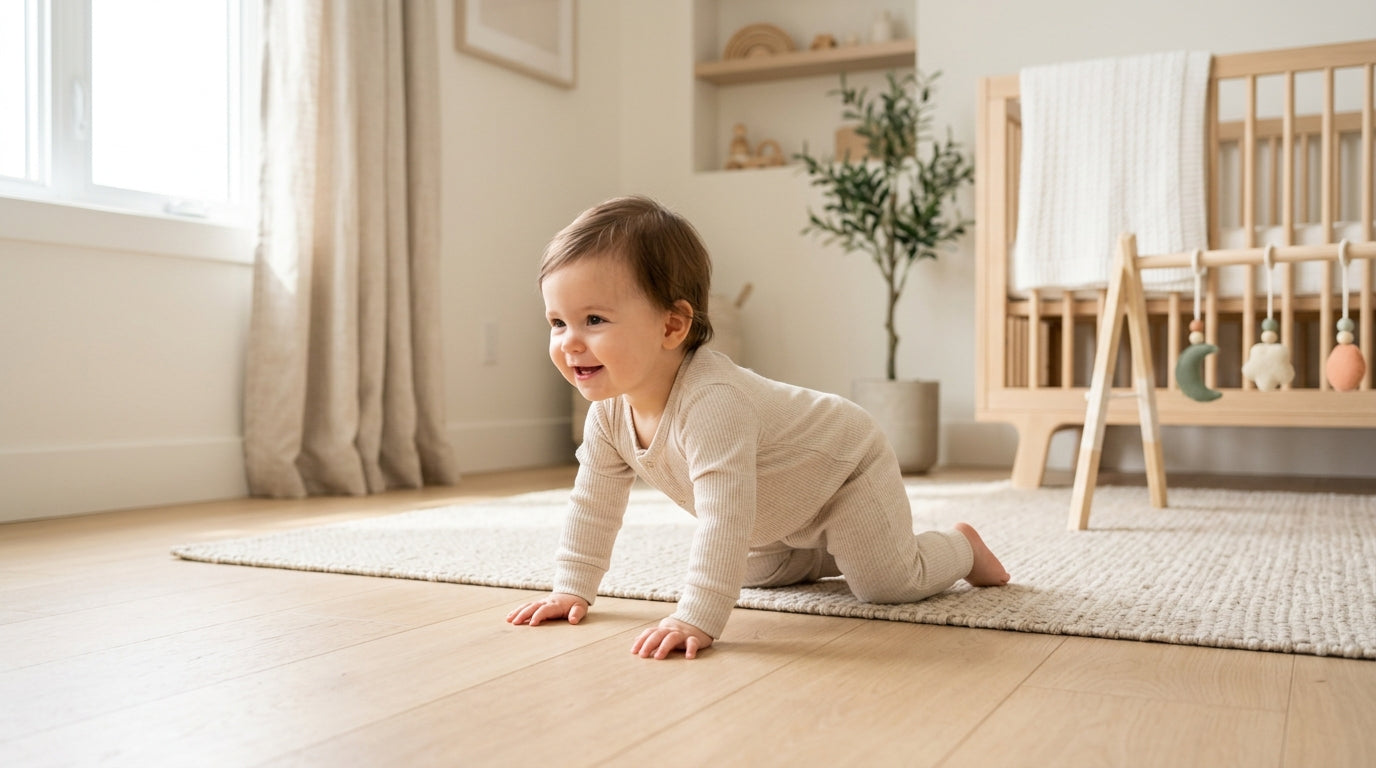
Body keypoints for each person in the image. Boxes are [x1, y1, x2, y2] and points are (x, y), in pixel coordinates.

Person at [506, 195, 1009, 660]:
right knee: (748, 574)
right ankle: (828, 549)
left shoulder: (712, 403)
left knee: (887, 584)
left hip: (843, 471)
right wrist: (571, 587)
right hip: (776, 511)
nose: (569, 342)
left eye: (593, 319)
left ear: (671, 326)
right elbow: (593, 503)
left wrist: (695, 619)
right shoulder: (609, 415)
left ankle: (961, 546)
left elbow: (723, 518)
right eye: (557, 323)